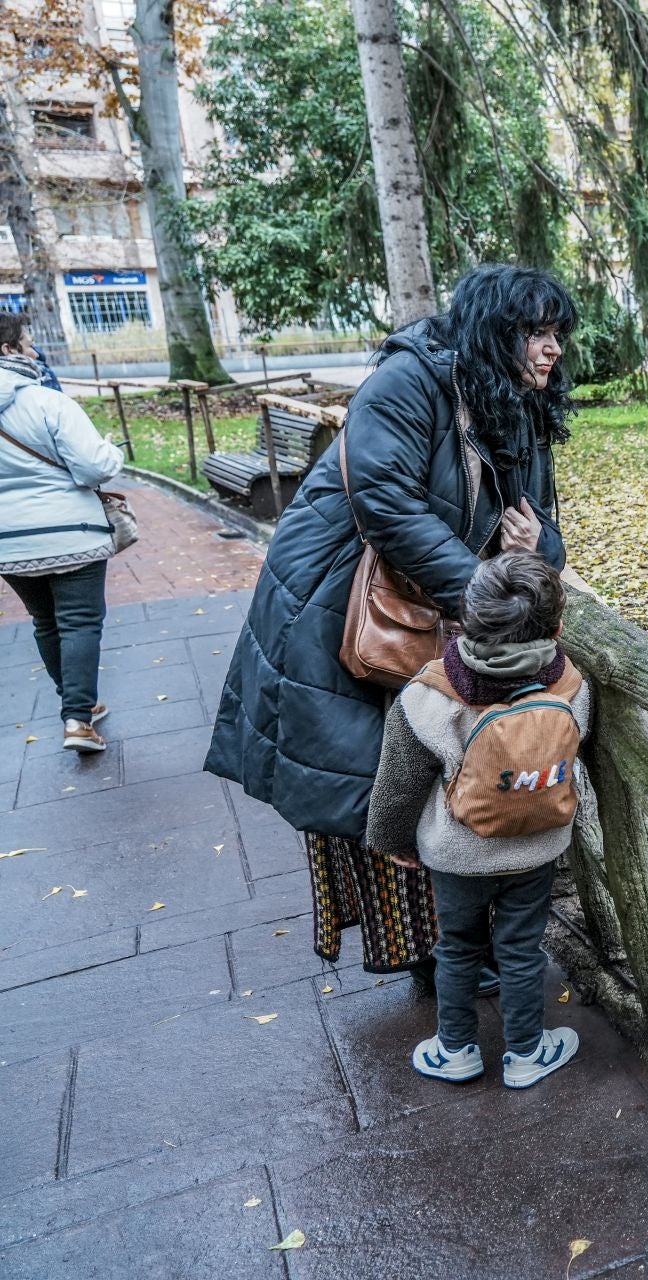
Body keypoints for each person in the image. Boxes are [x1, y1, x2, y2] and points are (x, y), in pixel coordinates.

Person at [204, 264, 574, 979]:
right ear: (494, 332)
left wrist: (538, 554)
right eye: (534, 331)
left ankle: (462, 950)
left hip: (438, 605)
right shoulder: (411, 381)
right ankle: (429, 958)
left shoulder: (510, 402)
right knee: (383, 776)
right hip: (345, 603)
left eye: (556, 332)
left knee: (436, 764)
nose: (551, 348)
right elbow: (386, 500)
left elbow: (538, 525)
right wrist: (488, 598)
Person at [366, 553, 589, 1088]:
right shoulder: (573, 688)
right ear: (557, 628)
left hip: (457, 853)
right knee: (520, 947)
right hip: (537, 846)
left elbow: (398, 782)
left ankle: (456, 1048)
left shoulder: (427, 695)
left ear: (461, 622)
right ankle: (528, 1052)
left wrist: (393, 840)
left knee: (459, 947)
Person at [0, 314, 123, 753]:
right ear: (9, 350)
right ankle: (77, 719)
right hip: (73, 534)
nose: (35, 351)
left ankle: (79, 708)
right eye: (29, 343)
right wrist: (111, 450)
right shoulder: (48, 402)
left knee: (45, 622)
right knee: (80, 623)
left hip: (8, 545)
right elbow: (93, 466)